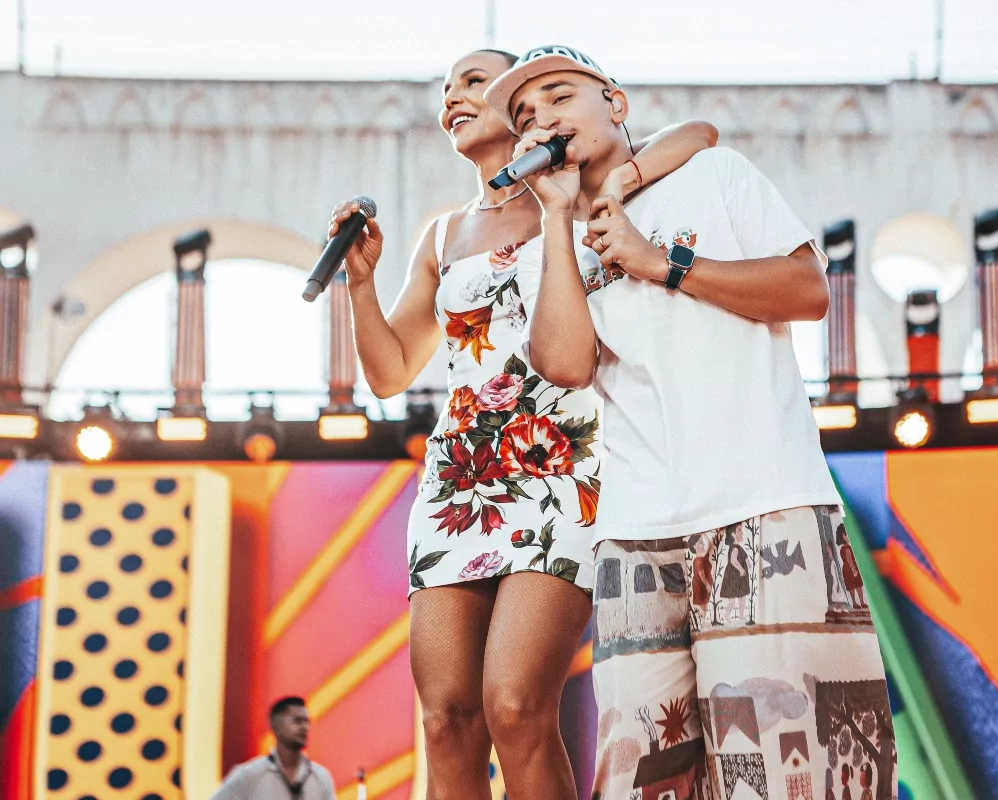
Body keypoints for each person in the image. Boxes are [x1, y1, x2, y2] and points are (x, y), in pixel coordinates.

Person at [487, 45, 896, 799]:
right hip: (637, 530)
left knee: (792, 762)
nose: (540, 118)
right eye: (523, 117)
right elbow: (568, 362)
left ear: (615, 102)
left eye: (557, 96)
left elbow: (807, 290)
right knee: (644, 774)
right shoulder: (550, 251)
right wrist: (555, 219)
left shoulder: (716, 175)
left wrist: (662, 263)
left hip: (763, 505)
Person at [328, 48, 716, 800]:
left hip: (562, 467)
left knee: (515, 706)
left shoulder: (583, 186)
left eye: (474, 83)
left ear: (523, 103)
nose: (453, 99)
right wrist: (361, 285)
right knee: (446, 719)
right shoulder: (442, 236)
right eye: (445, 91)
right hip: (458, 481)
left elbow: (698, 134)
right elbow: (388, 372)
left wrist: (617, 181)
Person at [211, 696, 335, 800]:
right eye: (296, 721)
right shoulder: (249, 775)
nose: (304, 727)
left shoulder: (321, 777)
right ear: (276, 726)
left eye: (306, 722)